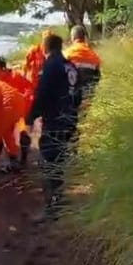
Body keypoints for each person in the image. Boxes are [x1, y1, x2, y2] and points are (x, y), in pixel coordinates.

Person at [25, 33, 82, 222]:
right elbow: (78, 95)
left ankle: (51, 208)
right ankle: (58, 200)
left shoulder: (51, 65)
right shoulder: (70, 66)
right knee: (59, 159)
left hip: (55, 121)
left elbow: (42, 94)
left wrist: (31, 117)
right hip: (70, 120)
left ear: (45, 48)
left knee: (48, 161)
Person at [0, 56, 34, 165]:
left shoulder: (15, 76)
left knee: (23, 134)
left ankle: (23, 158)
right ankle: (7, 160)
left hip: (21, 110)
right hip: (6, 111)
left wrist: (22, 107)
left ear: (0, 68)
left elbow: (29, 91)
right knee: (3, 134)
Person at [63, 25, 101, 107]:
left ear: (72, 37)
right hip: (87, 95)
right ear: (84, 38)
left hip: (70, 94)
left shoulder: (67, 53)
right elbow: (97, 76)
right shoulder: (94, 55)